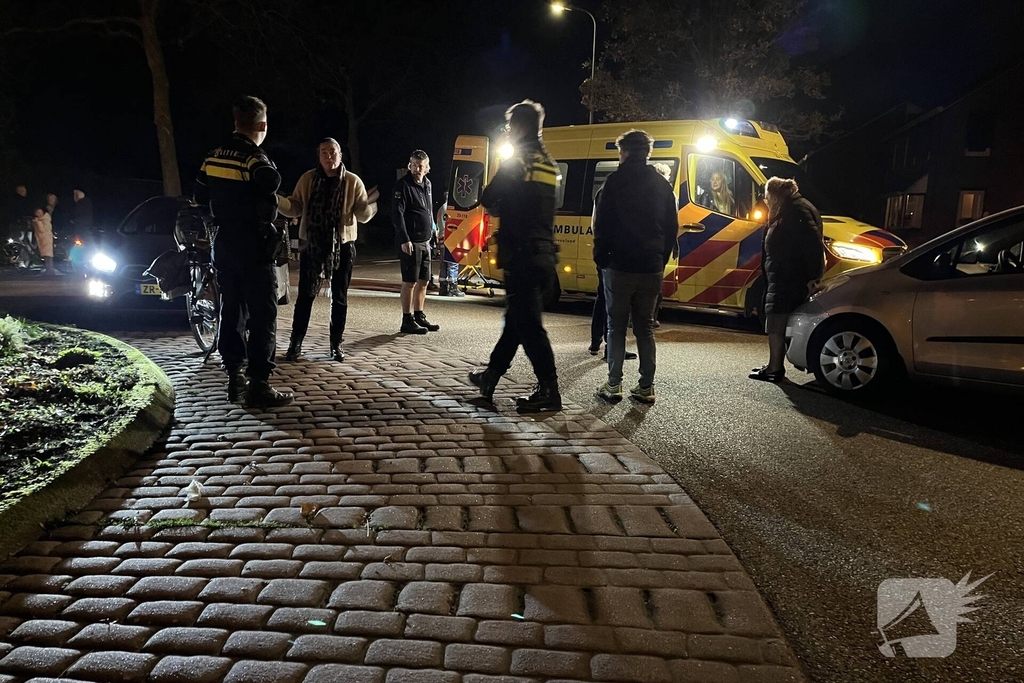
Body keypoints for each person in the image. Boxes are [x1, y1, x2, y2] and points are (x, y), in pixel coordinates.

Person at [193, 95, 292, 408]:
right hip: (253, 243)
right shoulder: (252, 156)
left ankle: (234, 376)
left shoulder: (213, 156)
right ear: (261, 125)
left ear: (235, 122)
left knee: (232, 309)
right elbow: (270, 180)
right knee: (263, 313)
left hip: (224, 243)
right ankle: (259, 383)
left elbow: (198, 195)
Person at [468, 99, 562, 414]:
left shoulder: (517, 162)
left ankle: (549, 389)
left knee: (529, 325)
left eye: (510, 127)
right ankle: (490, 377)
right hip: (544, 254)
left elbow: (488, 197)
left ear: (519, 127)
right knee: (517, 320)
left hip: (519, 254)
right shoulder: (549, 164)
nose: (508, 132)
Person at [593, 129, 678, 404]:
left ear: (625, 151)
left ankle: (614, 384)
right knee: (645, 327)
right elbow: (671, 228)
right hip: (651, 266)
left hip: (619, 266)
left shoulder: (614, 182)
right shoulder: (662, 185)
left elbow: (602, 226)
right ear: (648, 153)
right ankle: (646, 386)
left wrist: (601, 258)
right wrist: (660, 259)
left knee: (616, 326)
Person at [277, 138, 379, 362]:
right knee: (305, 296)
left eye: (332, 152)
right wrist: (276, 201)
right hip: (312, 244)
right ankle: (296, 343)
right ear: (319, 156)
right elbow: (295, 206)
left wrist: (371, 207)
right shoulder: (308, 179)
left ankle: (336, 344)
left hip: (342, 245)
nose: (328, 156)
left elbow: (362, 213)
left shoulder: (352, 181)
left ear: (341, 155)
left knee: (339, 298)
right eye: (324, 152)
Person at [749, 177, 824, 382]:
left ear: (774, 195)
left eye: (766, 198)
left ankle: (774, 368)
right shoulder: (792, 207)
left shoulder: (796, 210)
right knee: (776, 319)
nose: (765, 202)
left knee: (776, 320)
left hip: (789, 276)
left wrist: (813, 276)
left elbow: (812, 246)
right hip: (783, 274)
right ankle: (774, 365)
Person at [392, 149, 440, 334]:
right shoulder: (402, 186)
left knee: (424, 281)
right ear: (409, 166)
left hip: (426, 240)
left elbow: (428, 210)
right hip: (411, 241)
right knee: (410, 281)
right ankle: (407, 319)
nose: (417, 169)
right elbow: (398, 214)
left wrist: (434, 230)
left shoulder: (427, 184)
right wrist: (404, 238)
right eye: (414, 165)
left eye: (421, 166)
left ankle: (419, 315)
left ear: (427, 168)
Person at [436, 191, 464, 297]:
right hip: (450, 238)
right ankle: (453, 287)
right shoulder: (448, 208)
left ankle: (443, 288)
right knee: (453, 262)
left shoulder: (441, 208)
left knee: (443, 264)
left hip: (442, 238)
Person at [31, 207, 57, 276]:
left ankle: (50, 270)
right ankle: (48, 269)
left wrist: (38, 222)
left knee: (48, 255)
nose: (38, 214)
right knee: (46, 255)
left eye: (40, 212)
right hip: (42, 239)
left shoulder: (45, 220)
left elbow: (42, 230)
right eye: (37, 212)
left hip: (46, 239)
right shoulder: (40, 220)